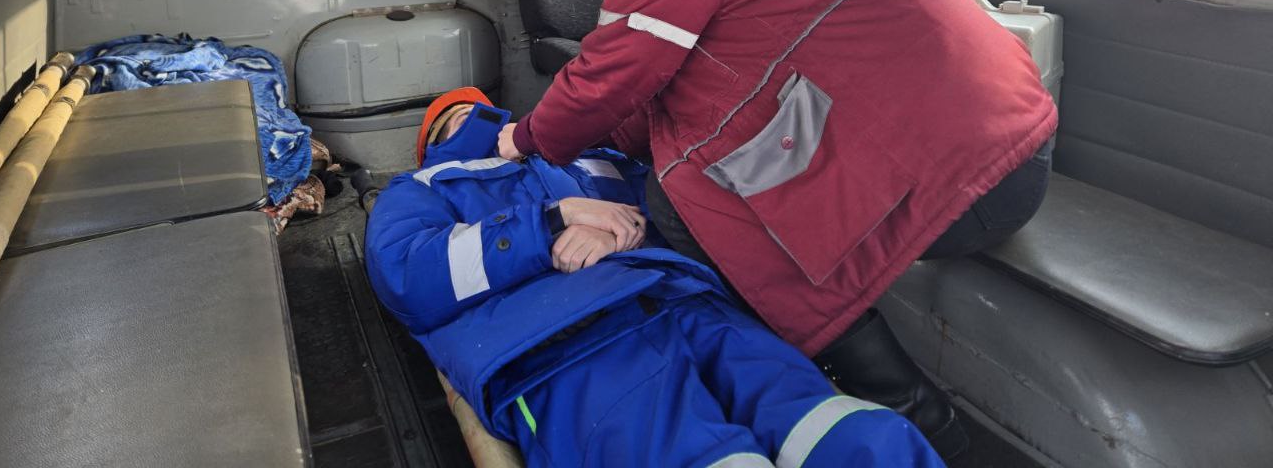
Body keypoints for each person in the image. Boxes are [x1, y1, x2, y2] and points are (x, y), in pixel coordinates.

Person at [496, 0, 1059, 459]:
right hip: (1018, 134)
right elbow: (672, 78)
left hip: (967, 180)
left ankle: (907, 408)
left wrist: (526, 137)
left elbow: (620, 67)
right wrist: (618, 134)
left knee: (692, 206)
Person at [364, 88, 945, 468]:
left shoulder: (585, 157)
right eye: (449, 119)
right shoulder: (423, 188)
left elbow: (675, 201)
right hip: (560, 343)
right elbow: (406, 275)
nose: (467, 116)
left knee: (834, 425)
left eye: (478, 107)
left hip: (683, 299)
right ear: (429, 148)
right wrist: (551, 220)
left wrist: (626, 226)